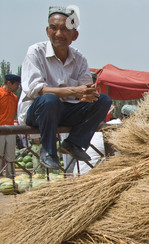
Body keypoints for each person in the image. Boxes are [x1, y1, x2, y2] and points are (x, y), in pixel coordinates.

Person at [17, 6, 112, 170]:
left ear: (74, 35)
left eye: (65, 29)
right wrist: (75, 91)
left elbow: (86, 90)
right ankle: (48, 151)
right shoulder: (35, 52)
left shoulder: (79, 58)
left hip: (64, 110)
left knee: (103, 100)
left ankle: (74, 143)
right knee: (49, 99)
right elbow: (36, 89)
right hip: (38, 110)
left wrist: (87, 94)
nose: (58, 34)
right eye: (54, 28)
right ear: (47, 31)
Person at [0, 74, 21, 178]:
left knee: (11, 155)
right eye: (16, 84)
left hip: (11, 129)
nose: (18, 87)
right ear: (9, 83)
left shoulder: (14, 97)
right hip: (0, 129)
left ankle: (11, 176)